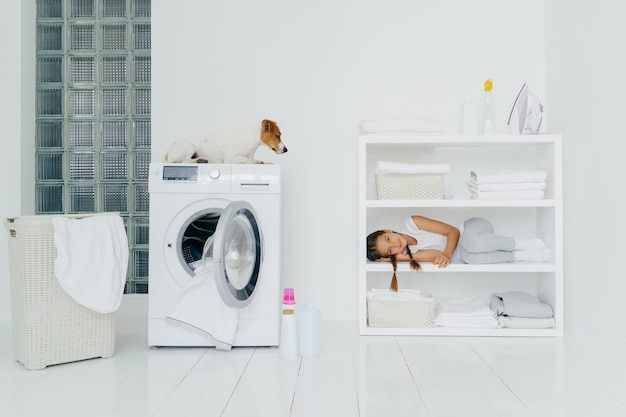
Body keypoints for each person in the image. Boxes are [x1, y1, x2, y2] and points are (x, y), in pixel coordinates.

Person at [366, 215, 549, 291]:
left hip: (472, 228)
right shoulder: (411, 254)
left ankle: (520, 243)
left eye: (389, 239)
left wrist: (447, 254)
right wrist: (403, 257)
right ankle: (520, 256)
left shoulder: (412, 223)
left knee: (471, 245)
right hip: (470, 253)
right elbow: (434, 254)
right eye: (390, 251)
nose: (395, 245)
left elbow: (452, 231)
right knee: (470, 258)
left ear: (387, 230)